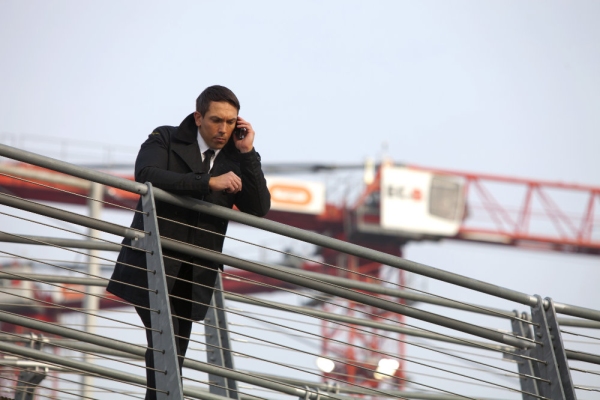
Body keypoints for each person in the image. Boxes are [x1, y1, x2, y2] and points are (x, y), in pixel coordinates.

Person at [107, 85, 271, 399]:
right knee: (165, 340)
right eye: (216, 120)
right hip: (153, 263)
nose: (223, 129)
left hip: (195, 271)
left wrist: (248, 153)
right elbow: (146, 173)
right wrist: (207, 182)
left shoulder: (236, 157)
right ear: (198, 117)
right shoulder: (165, 138)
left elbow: (259, 207)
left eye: (230, 121)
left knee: (172, 350)